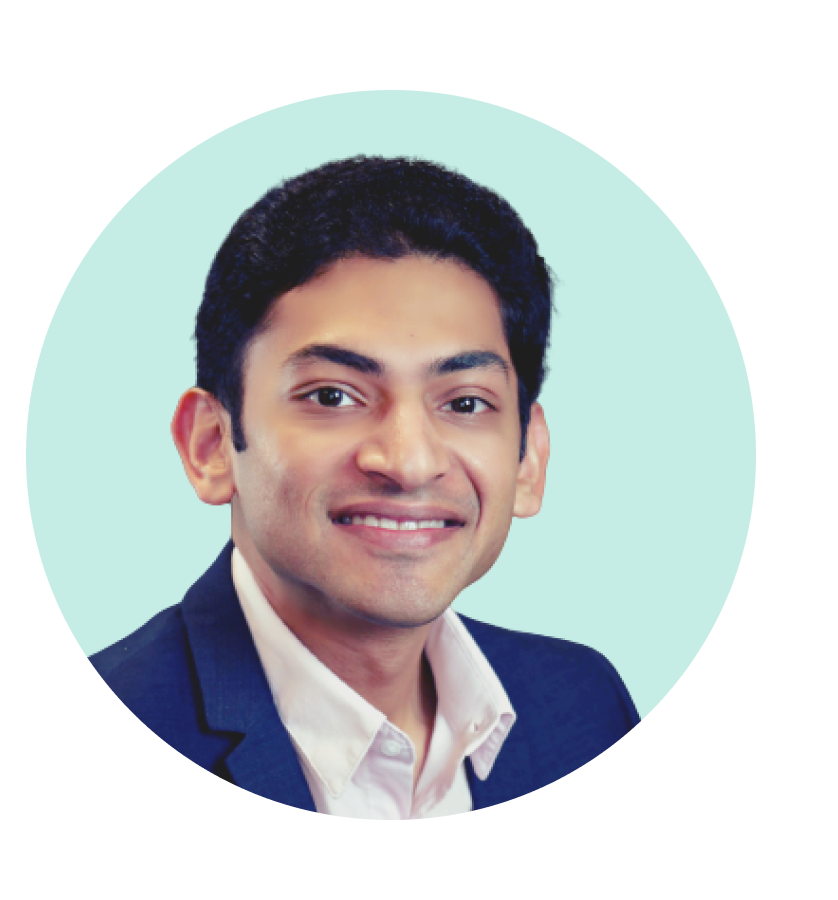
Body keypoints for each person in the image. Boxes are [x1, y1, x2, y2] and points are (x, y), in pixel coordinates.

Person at [90, 154, 640, 816]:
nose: (408, 462)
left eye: (465, 402)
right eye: (332, 395)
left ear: (528, 459)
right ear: (211, 445)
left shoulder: (584, 706)